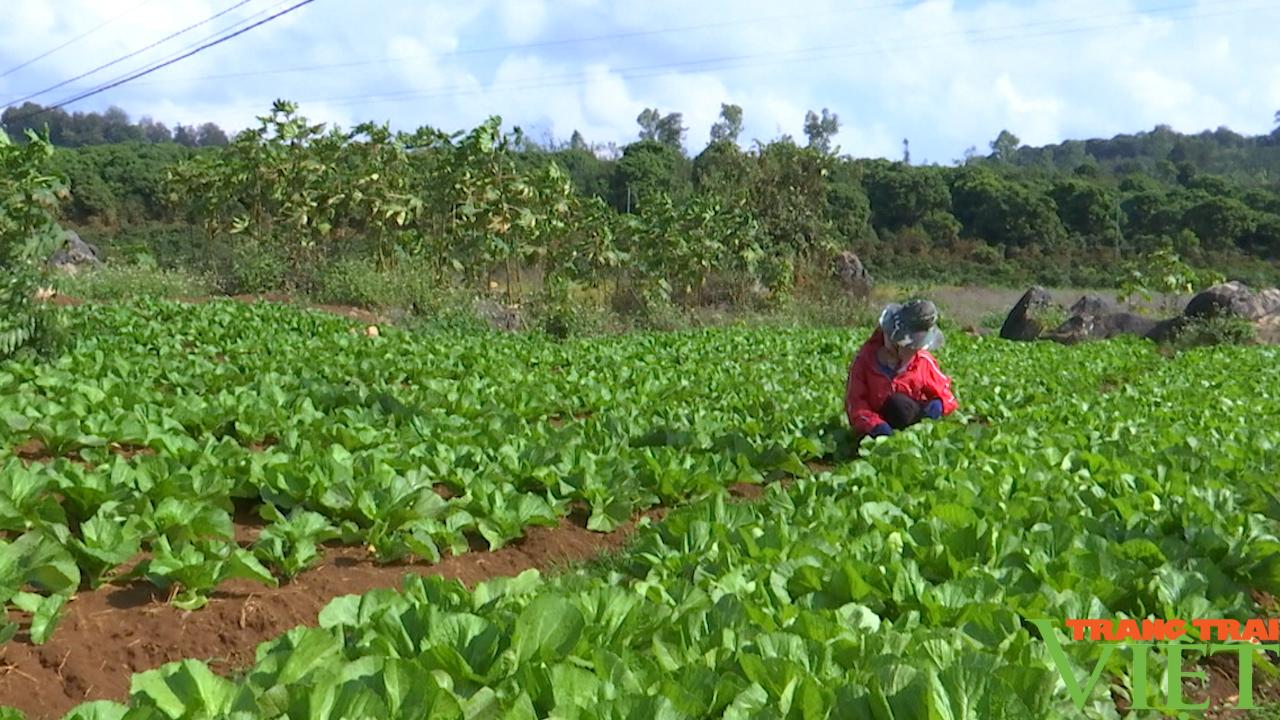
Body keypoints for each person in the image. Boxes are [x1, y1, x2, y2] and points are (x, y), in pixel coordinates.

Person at [845, 299, 958, 439]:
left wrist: (938, 405)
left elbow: (947, 395)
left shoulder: (922, 361)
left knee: (900, 405)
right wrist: (876, 426)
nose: (911, 351)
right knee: (895, 405)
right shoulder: (865, 361)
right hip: (876, 431)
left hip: (914, 429)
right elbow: (855, 405)